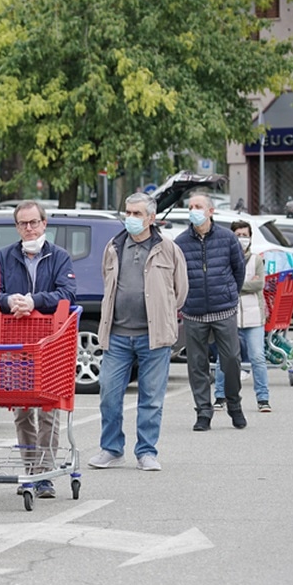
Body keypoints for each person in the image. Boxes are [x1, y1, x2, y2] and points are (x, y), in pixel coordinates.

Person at [86, 192, 187, 472]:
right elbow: (109, 282)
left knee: (151, 398)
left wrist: (162, 314)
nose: (131, 219)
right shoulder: (114, 246)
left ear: (151, 218)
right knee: (108, 393)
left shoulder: (167, 248)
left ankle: (146, 451)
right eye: (128, 213)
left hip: (153, 337)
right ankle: (112, 448)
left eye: (137, 214)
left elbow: (180, 291)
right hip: (117, 335)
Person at [0, 200, 77, 498]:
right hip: (14, 344)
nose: (28, 229)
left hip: (49, 345)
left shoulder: (60, 257)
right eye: (22, 224)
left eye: (33, 222)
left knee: (48, 409)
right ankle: (29, 470)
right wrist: (10, 302)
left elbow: (66, 293)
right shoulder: (3, 256)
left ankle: (45, 474)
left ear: (44, 224)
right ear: (16, 227)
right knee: (21, 410)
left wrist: (35, 301)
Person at [175, 192, 247, 432]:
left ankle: (234, 405)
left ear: (210, 211)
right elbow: (177, 276)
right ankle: (203, 412)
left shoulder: (227, 238)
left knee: (231, 360)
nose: (193, 210)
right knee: (197, 365)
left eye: (198, 206)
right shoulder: (181, 241)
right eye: (190, 206)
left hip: (223, 310)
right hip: (194, 311)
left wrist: (229, 294)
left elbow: (239, 270)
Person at [212, 220, 272, 414]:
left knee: (257, 357)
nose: (242, 239)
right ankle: (220, 396)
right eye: (238, 235)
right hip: (229, 315)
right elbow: (221, 284)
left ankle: (263, 398)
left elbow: (259, 285)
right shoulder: (224, 259)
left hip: (254, 317)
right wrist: (245, 282)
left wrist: (236, 284)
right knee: (225, 358)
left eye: (245, 235)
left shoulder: (256, 260)